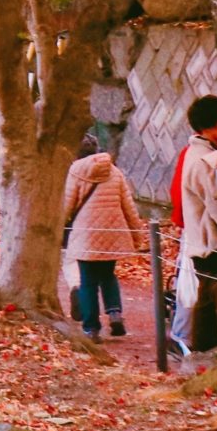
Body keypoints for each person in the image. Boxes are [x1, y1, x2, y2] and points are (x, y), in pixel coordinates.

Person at [173, 95, 217, 356]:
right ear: (211, 125)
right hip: (214, 244)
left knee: (206, 306)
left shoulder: (193, 154)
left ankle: (200, 355)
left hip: (200, 244)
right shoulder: (206, 161)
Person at [59, 134, 143, 338]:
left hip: (85, 234)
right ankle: (115, 314)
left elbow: (67, 206)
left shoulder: (75, 172)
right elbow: (128, 207)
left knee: (87, 280)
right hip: (112, 233)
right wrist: (136, 235)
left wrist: (59, 227)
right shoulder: (114, 172)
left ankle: (91, 327)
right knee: (108, 274)